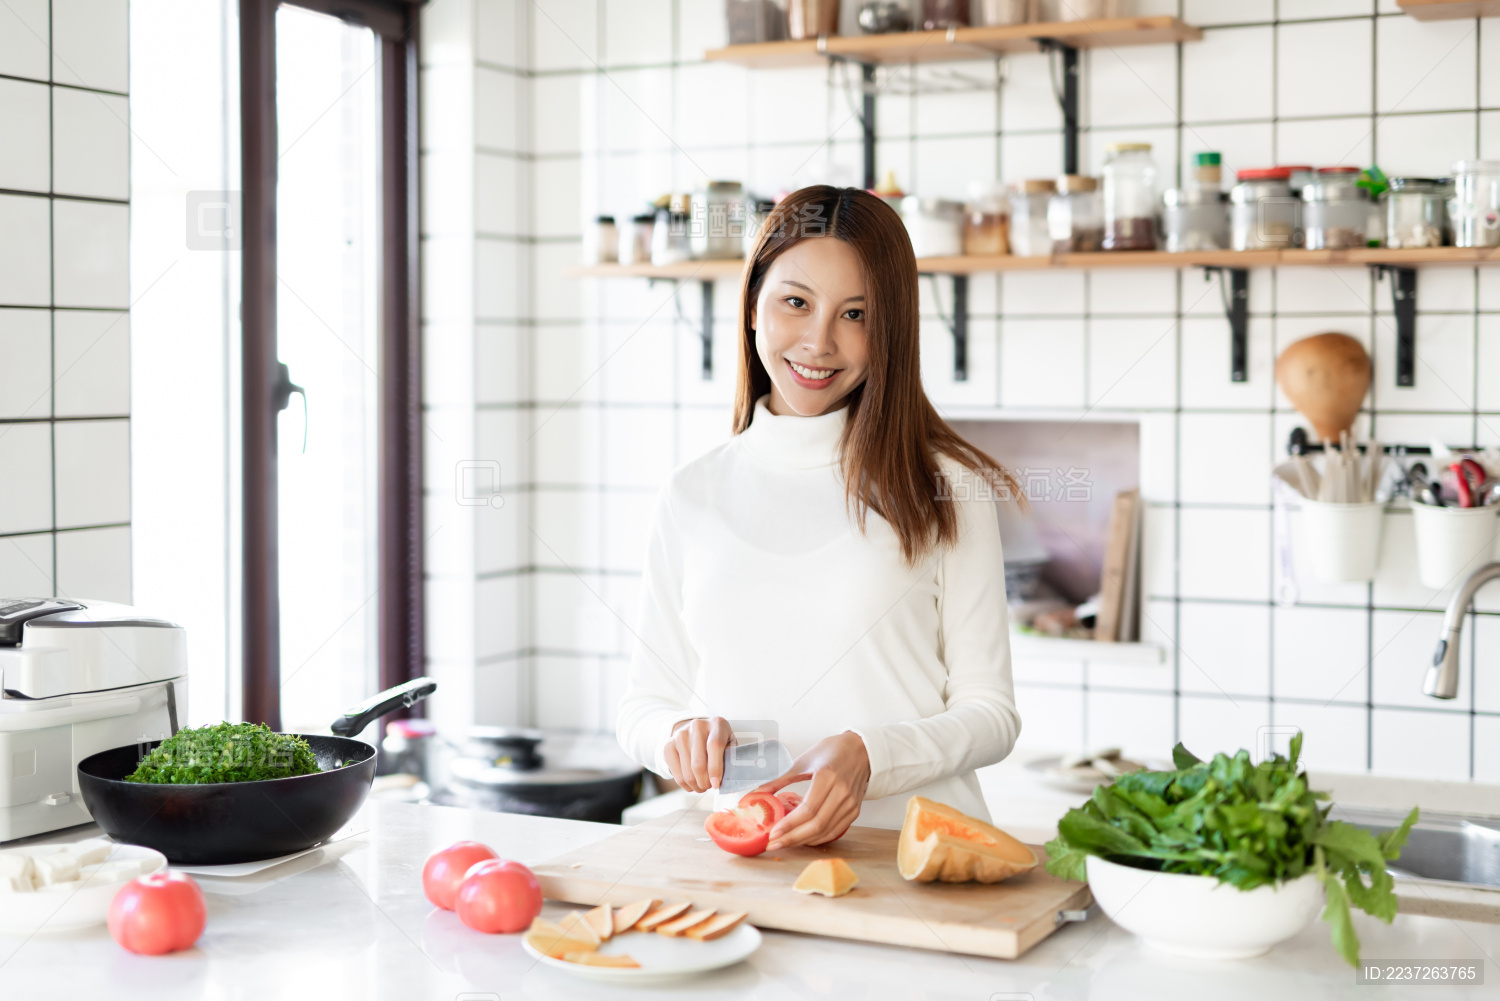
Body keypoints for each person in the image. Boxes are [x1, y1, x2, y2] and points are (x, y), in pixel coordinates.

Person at [616, 185, 1021, 851]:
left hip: (913, 863)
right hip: (751, 861)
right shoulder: (692, 494)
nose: (818, 341)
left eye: (856, 314)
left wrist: (873, 755)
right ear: (753, 306)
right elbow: (643, 705)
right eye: (796, 302)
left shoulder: (945, 488)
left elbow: (993, 715)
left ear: (889, 329)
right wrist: (675, 737)